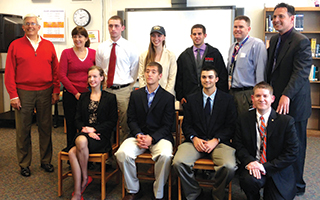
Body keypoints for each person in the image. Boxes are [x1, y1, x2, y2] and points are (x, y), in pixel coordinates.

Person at [4, 14, 60, 177]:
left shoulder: (48, 45)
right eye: (27, 24)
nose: (30, 26)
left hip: (45, 91)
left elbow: (55, 70)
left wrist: (56, 90)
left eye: (33, 23)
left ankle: (46, 161)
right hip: (23, 93)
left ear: (39, 26)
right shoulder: (15, 45)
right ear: (23, 27)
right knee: (23, 129)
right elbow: (9, 73)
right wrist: (13, 95)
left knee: (45, 128)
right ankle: (24, 164)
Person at [266, 3, 312, 195]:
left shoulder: (301, 41)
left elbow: (300, 73)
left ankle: (298, 186)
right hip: (276, 102)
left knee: (296, 146)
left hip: (294, 103)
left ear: (292, 19)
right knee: (278, 144)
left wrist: (286, 95)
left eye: (281, 17)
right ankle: (280, 182)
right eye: (274, 17)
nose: (276, 20)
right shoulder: (275, 39)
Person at [172, 65, 237, 200]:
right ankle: (194, 192)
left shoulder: (228, 100)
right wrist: (194, 138)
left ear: (216, 79)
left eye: (210, 77)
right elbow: (187, 125)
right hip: (195, 142)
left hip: (219, 143)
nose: (207, 80)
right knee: (178, 162)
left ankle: (217, 193)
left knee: (229, 167)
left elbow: (231, 127)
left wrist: (216, 140)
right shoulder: (191, 99)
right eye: (204, 77)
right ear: (200, 79)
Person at [115, 62, 175, 200]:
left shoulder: (168, 98)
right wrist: (139, 135)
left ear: (160, 76)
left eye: (153, 71)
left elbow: (167, 125)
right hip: (139, 136)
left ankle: (159, 192)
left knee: (166, 155)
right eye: (147, 71)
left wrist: (152, 139)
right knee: (122, 153)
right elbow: (131, 119)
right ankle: (133, 190)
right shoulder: (136, 95)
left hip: (160, 137)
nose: (149, 74)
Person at [233, 82, 299, 200]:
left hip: (276, 169)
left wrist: (265, 167)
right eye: (258, 96)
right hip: (253, 166)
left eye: (265, 96)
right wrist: (250, 162)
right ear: (252, 98)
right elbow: (238, 145)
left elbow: (292, 152)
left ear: (272, 99)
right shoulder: (243, 119)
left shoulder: (286, 122)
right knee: (249, 182)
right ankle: (253, 196)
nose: (261, 99)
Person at [68, 66, 118, 200]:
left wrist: (94, 130)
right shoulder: (83, 97)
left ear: (102, 78)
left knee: (73, 152)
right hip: (85, 133)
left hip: (101, 136)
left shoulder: (110, 98)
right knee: (80, 141)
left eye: (95, 76)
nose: (92, 79)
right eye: (90, 77)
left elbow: (112, 122)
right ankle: (80, 186)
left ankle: (82, 183)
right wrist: (85, 129)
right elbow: (76, 119)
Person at [96, 15, 139, 143]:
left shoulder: (130, 47)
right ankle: (107, 155)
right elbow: (99, 69)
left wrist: (128, 87)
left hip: (123, 90)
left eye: (116, 26)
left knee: (125, 123)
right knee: (105, 122)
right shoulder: (101, 47)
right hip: (106, 89)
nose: (113, 29)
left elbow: (134, 70)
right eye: (110, 26)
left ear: (122, 28)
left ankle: (123, 155)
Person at [59, 26, 96, 149]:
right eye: (74, 36)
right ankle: (71, 148)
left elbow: (96, 74)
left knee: (86, 123)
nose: (77, 39)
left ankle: (86, 151)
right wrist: (75, 93)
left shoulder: (93, 53)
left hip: (88, 94)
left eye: (80, 36)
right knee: (71, 122)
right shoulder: (66, 53)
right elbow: (62, 75)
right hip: (71, 94)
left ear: (86, 38)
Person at [175, 24, 228, 105]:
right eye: (194, 34)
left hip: (211, 97)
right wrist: (180, 96)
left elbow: (222, 76)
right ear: (191, 36)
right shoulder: (184, 56)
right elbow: (179, 78)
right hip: (189, 98)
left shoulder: (214, 53)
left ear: (205, 35)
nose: (197, 36)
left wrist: (221, 95)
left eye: (199, 34)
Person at [227, 15, 267, 115]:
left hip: (247, 94)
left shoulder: (257, 44)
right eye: (235, 27)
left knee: (246, 126)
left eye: (241, 27)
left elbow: (260, 72)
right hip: (232, 93)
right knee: (233, 124)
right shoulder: (233, 47)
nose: (237, 30)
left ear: (248, 29)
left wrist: (258, 96)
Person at [138, 25, 177, 95]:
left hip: (165, 96)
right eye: (153, 35)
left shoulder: (170, 56)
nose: (156, 38)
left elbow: (172, 79)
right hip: (147, 95)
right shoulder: (143, 56)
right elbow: (141, 76)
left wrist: (164, 96)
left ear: (164, 37)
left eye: (159, 35)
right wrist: (145, 94)